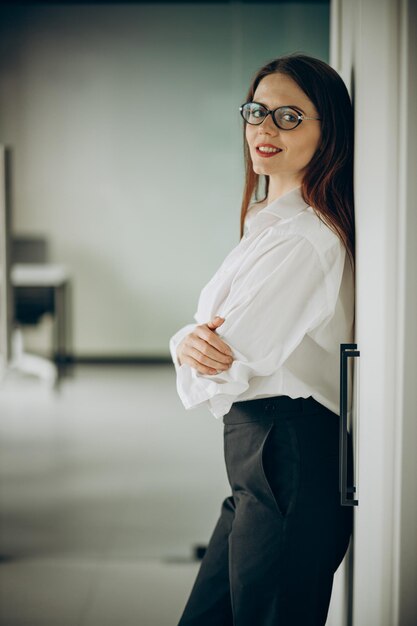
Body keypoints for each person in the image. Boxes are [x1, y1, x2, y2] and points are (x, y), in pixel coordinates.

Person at [169, 53, 355, 626]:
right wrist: (186, 340)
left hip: (288, 454)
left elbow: (224, 364)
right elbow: (208, 341)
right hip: (262, 459)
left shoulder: (304, 238)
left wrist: (188, 345)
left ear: (330, 132)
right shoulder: (267, 222)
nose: (264, 129)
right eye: (257, 112)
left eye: (289, 117)